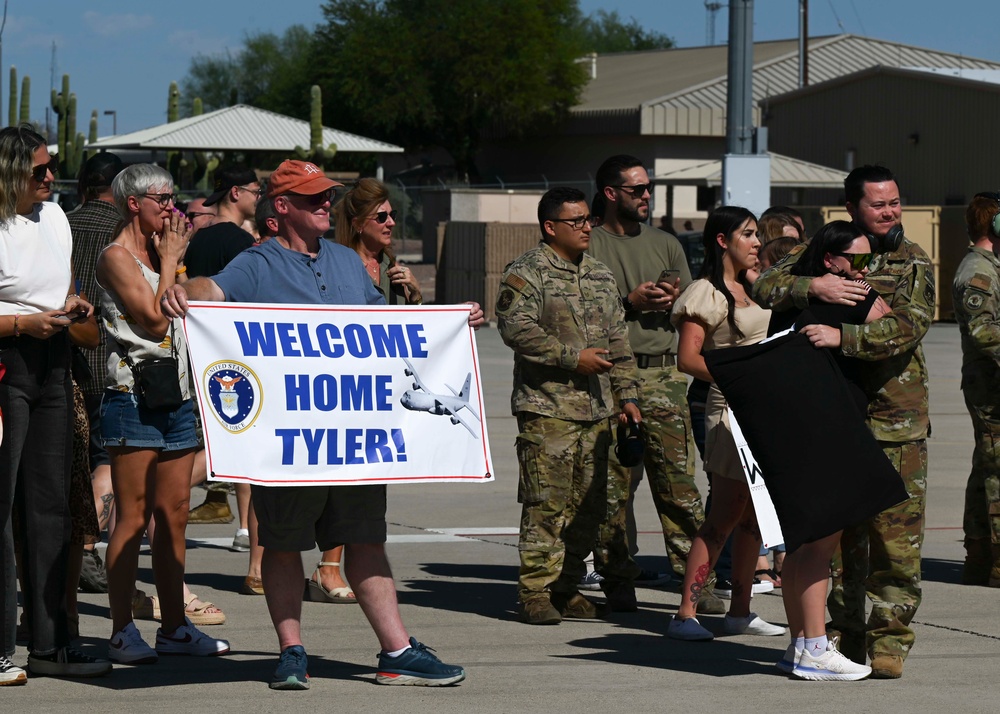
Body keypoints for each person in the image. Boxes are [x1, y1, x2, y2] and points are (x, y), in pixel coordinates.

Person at [161, 159, 479, 690]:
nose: (325, 204)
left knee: (366, 541)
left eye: (328, 196)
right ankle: (292, 653)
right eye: (313, 198)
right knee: (284, 546)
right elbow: (211, 291)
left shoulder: (348, 262)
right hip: (291, 442)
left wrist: (449, 322)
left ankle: (397, 650)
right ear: (281, 207)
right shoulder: (256, 263)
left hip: (353, 440)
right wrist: (183, 291)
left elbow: (386, 329)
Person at [752, 165, 934, 679]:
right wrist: (816, 287)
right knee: (840, 543)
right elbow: (765, 284)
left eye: (895, 202)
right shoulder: (820, 249)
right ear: (853, 206)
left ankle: (889, 640)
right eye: (879, 205)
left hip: (895, 418)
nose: (890, 212)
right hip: (834, 417)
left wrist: (843, 339)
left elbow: (909, 327)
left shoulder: (911, 260)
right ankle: (844, 634)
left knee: (894, 541)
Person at [721, 220, 904, 681]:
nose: (868, 269)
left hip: (801, 431)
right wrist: (863, 297)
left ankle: (801, 645)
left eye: (872, 259)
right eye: (859, 260)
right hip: (827, 429)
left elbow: (764, 284)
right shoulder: (845, 294)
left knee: (803, 545)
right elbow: (894, 324)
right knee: (820, 546)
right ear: (831, 261)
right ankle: (816, 649)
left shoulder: (797, 294)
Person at [97, 163, 230, 664]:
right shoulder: (116, 257)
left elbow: (193, 303)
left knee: (173, 516)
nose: (173, 211)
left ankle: (174, 626)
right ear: (134, 204)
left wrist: (174, 260)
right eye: (163, 201)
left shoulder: (164, 254)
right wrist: (173, 256)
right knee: (131, 517)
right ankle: (121, 628)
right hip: (132, 398)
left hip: (177, 396)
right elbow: (155, 323)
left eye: (176, 200)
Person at [496, 186, 641, 624]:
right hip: (549, 408)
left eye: (587, 220)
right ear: (550, 226)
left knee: (589, 507)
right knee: (546, 502)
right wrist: (571, 357)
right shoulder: (528, 271)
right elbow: (514, 327)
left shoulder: (598, 273)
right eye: (575, 221)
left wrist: (628, 395)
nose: (586, 228)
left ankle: (566, 587)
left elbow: (619, 340)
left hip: (598, 410)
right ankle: (535, 592)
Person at [0, 124, 110, 681]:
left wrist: (74, 308)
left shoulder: (57, 217)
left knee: (50, 506)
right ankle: (2, 647)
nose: (49, 177)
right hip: (6, 361)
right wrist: (23, 321)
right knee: (2, 509)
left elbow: (61, 287)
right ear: (9, 172)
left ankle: (50, 643)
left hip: (53, 361)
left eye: (51, 167)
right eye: (38, 170)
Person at [588, 155, 721, 613]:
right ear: (610, 193)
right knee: (612, 490)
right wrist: (628, 301)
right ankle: (617, 583)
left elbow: (692, 309)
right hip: (611, 376)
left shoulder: (666, 243)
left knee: (679, 488)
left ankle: (698, 586)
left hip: (665, 375)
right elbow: (578, 314)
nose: (646, 196)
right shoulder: (588, 242)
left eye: (649, 188)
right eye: (636, 190)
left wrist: (670, 301)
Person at [666, 205, 785, 643]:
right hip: (729, 411)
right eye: (748, 234)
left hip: (763, 411)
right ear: (722, 241)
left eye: (758, 235)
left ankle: (740, 612)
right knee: (724, 515)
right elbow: (688, 358)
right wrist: (742, 378)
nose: (757, 242)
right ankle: (685, 613)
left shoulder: (756, 287)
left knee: (755, 517)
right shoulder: (706, 292)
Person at [185, 165, 261, 529]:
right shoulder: (241, 245)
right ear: (236, 193)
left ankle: (247, 531)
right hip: (235, 355)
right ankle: (162, 491)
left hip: (204, 353)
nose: (258, 199)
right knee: (231, 444)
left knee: (230, 443)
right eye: (255, 191)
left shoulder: (200, 238)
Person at [68, 151, 126, 596]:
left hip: (65, 357)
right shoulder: (122, 231)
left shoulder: (61, 223)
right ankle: (89, 547)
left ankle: (75, 548)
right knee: (104, 458)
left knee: (73, 460)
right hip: (109, 358)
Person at [953, 193, 1000, 587]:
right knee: (997, 472)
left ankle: (980, 555)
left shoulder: (991, 267)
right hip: (992, 389)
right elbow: (985, 333)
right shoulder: (978, 273)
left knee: (987, 468)